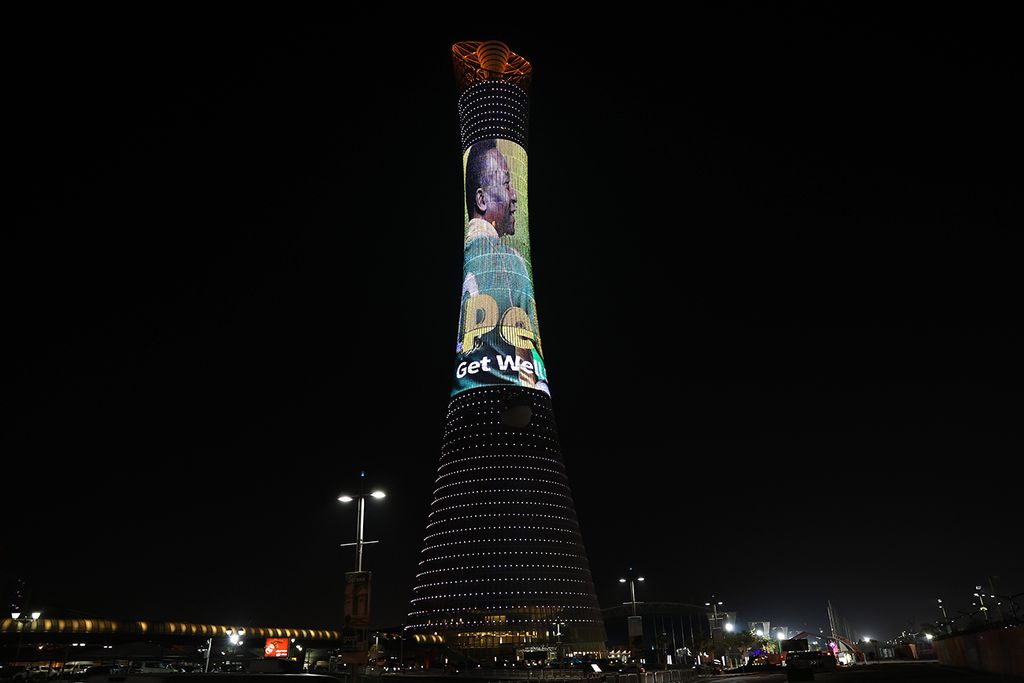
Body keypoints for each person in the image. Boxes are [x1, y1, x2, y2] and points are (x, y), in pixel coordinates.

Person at [455, 139, 548, 394]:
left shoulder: (468, 259)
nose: (514, 195)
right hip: (507, 409)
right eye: (507, 184)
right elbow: (529, 376)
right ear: (481, 200)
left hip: (467, 405)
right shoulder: (511, 264)